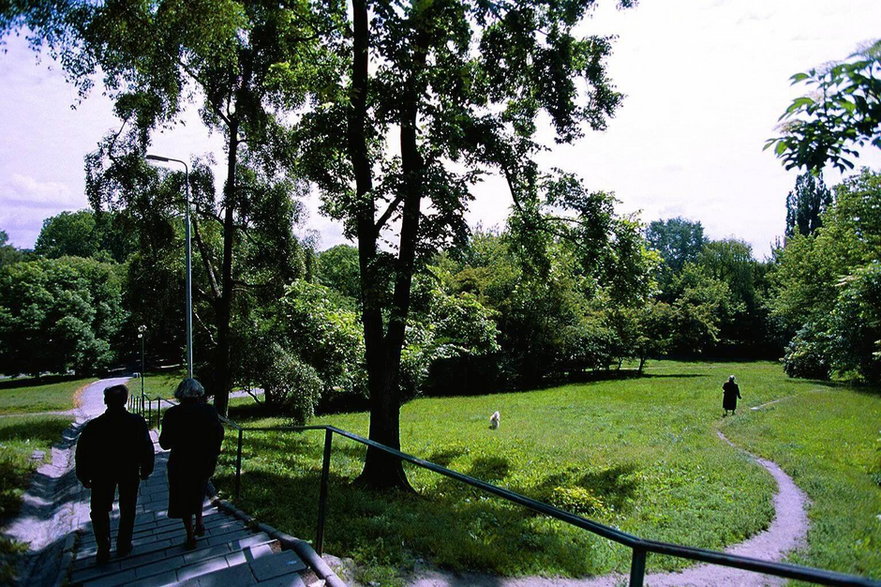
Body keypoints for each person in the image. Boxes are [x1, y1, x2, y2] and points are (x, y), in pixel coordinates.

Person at [75, 384, 154, 563]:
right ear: (126, 400)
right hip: (129, 470)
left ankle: (103, 546)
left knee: (99, 509)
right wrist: (147, 468)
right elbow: (146, 447)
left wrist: (83, 475)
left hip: (102, 472)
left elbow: (82, 452)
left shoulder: (94, 426)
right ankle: (124, 544)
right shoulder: (136, 422)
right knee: (128, 507)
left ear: (105, 401)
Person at [159, 378, 224, 549]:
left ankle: (189, 535)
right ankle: (200, 521)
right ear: (198, 393)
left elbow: (164, 443)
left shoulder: (172, 414)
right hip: (203, 460)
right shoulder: (209, 411)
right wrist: (214, 452)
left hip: (180, 461)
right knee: (199, 490)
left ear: (180, 394)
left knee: (183, 497)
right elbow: (218, 433)